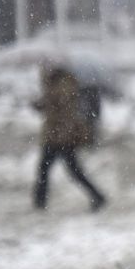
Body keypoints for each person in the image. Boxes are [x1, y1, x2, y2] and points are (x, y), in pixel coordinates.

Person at [33, 65, 107, 212]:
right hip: (55, 135)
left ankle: (40, 201)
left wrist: (46, 99)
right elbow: (51, 106)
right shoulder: (56, 84)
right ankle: (40, 201)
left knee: (61, 170)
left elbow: (62, 107)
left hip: (62, 136)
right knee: (51, 169)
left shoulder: (64, 84)